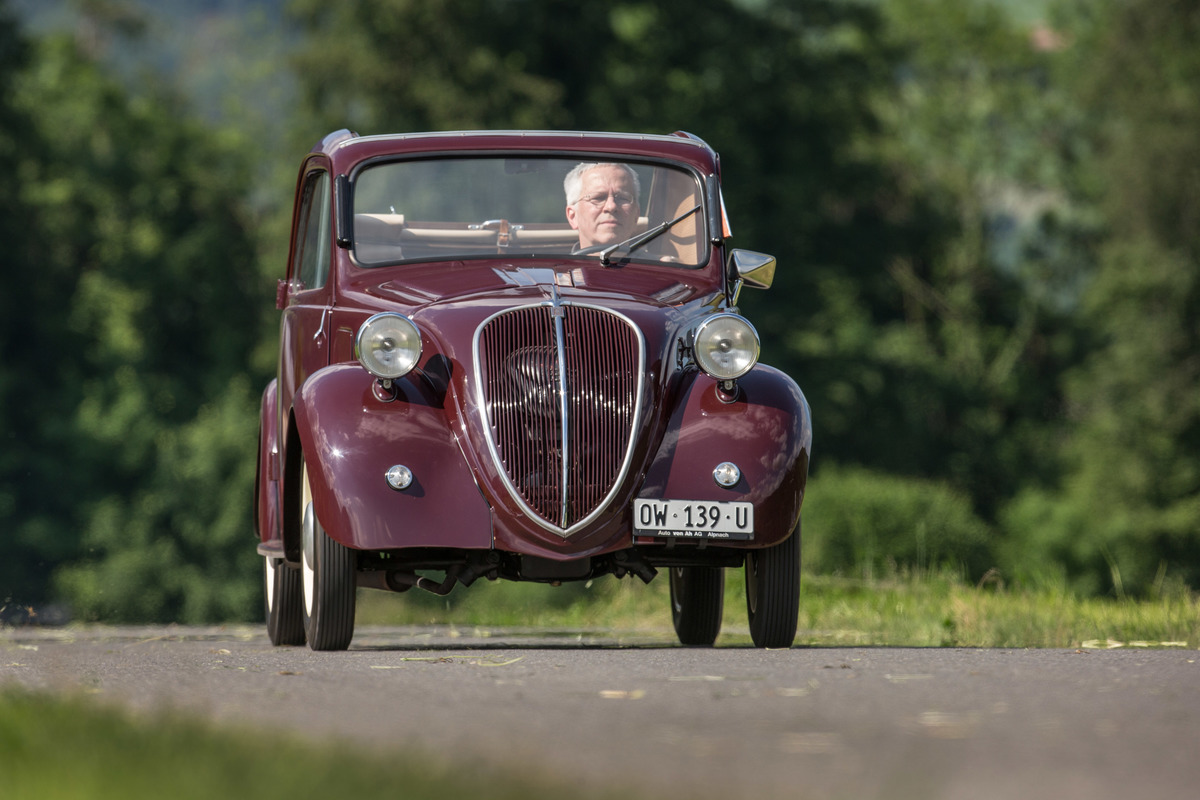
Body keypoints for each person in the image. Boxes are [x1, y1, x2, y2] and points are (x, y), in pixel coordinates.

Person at [563, 162, 641, 250]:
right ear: (572, 216)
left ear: (636, 215)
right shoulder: (550, 263)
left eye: (622, 198)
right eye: (598, 198)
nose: (611, 206)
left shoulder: (656, 264)